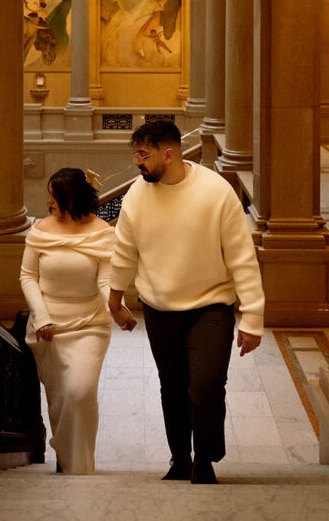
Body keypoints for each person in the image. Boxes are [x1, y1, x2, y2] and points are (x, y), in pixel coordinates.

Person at [108, 120, 265, 485]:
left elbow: (242, 258)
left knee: (206, 385)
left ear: (169, 153)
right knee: (173, 386)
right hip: (160, 308)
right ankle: (181, 460)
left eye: (143, 155)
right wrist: (115, 301)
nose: (137, 162)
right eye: (135, 154)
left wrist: (253, 319)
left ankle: (206, 457)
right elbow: (123, 254)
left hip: (211, 305)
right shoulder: (136, 196)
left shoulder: (215, 192)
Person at [20, 167, 131, 475]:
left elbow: (106, 280)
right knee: (58, 399)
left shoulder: (101, 233)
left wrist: (117, 308)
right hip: (48, 328)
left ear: (71, 198)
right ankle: (68, 461)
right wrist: (41, 316)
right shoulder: (40, 229)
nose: (48, 201)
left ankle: (79, 464)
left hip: (89, 325)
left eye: (54, 196)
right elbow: (28, 277)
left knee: (80, 392)